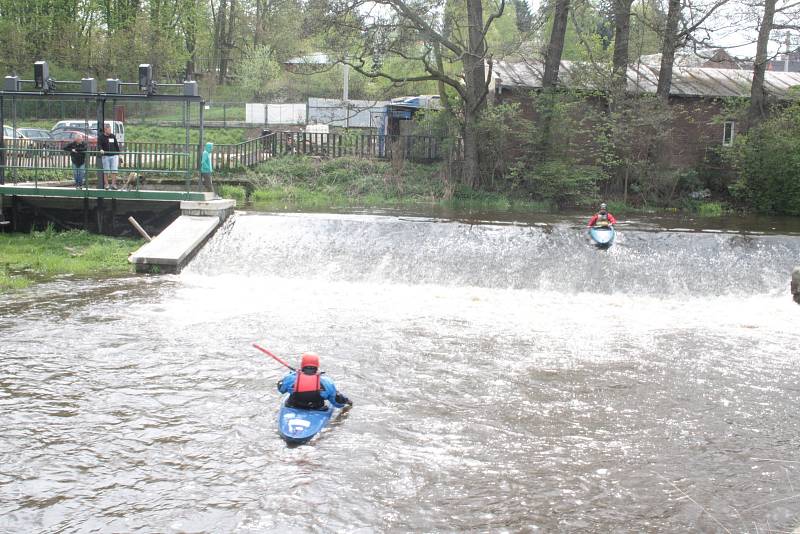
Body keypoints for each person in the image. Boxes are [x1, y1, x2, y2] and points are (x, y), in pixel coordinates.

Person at [277, 353, 352, 410]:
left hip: (293, 406)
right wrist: (347, 401)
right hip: (317, 409)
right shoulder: (326, 382)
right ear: (317, 366)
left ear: (302, 365)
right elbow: (338, 403)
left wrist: (291, 375)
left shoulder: (291, 378)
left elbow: (281, 388)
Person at [98, 124, 123, 190]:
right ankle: (106, 185)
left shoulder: (112, 136)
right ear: (105, 130)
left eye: (110, 130)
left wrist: (119, 154)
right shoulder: (101, 137)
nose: (110, 131)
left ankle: (113, 184)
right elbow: (99, 145)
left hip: (114, 156)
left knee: (114, 171)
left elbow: (116, 145)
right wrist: (101, 149)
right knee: (106, 171)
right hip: (106, 156)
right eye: (109, 130)